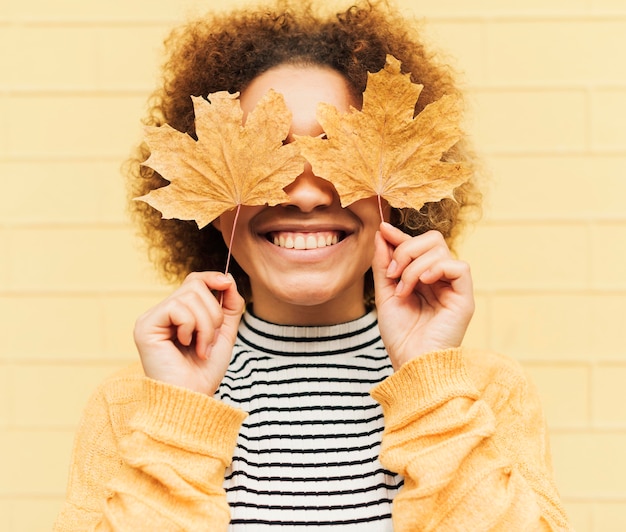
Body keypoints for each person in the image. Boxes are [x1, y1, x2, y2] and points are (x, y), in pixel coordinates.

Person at [54, 1, 572, 530]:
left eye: (338, 150)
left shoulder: (484, 394)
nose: (303, 193)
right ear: (208, 197)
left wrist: (430, 384)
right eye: (264, 154)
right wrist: (175, 418)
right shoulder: (133, 406)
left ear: (396, 192)